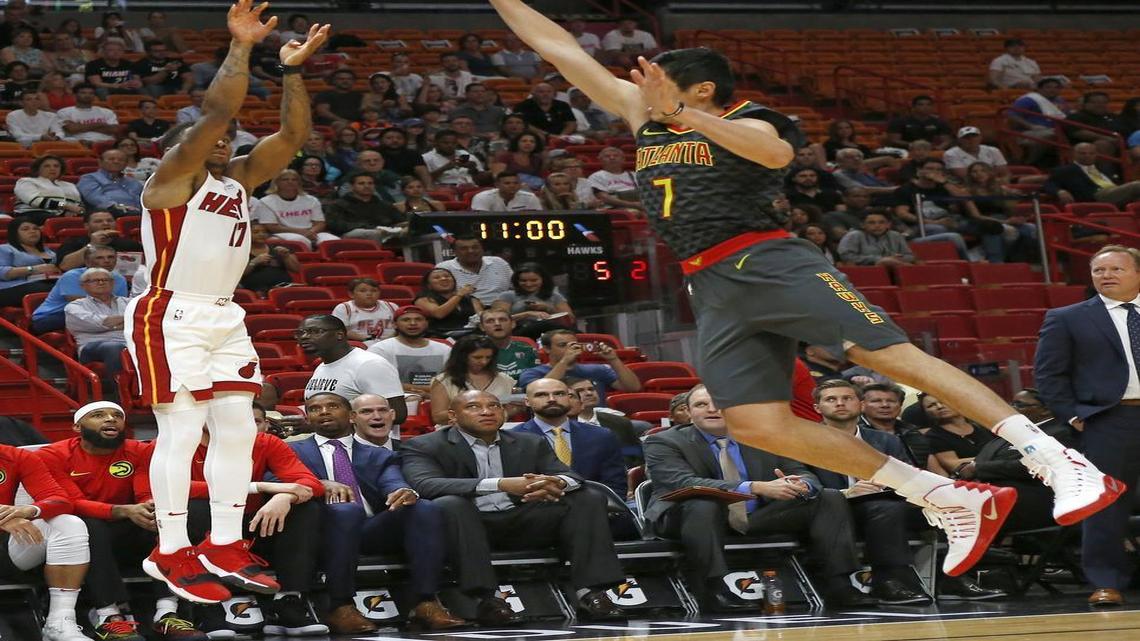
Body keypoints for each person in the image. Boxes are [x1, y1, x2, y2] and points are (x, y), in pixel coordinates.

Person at [488, 0, 1118, 580]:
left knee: (889, 357)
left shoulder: (753, 118)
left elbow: (771, 156)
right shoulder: (645, 116)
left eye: (658, 81)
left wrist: (680, 114)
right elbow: (559, 48)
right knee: (756, 423)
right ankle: (943, 494)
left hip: (768, 258)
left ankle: (1053, 457)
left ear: (700, 90)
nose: (641, 88)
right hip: (709, 282)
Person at [121, 2, 331, 605]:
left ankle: (224, 542)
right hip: (170, 311)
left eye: (228, 140)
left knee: (238, 426)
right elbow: (217, 112)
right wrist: (241, 47)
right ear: (180, 147)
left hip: (223, 312)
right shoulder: (169, 182)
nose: (224, 140)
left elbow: (293, 137)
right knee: (183, 428)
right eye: (212, 138)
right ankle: (170, 548)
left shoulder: (237, 181)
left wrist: (292, 70)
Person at [400, 389, 627, 621]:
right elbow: (425, 485)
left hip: (522, 519)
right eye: (473, 407)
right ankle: (488, 599)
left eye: (494, 406)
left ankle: (590, 593)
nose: (487, 412)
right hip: (465, 527)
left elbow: (571, 476)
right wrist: (501, 484)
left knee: (587, 497)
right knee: (451, 504)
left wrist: (554, 482)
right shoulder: (425, 445)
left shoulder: (530, 442)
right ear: (452, 416)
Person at [643, 384, 873, 609]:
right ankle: (712, 590)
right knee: (703, 504)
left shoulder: (763, 438)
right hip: (687, 517)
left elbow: (801, 471)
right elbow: (682, 483)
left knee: (828, 497)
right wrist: (755, 487)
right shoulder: (664, 441)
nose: (712, 409)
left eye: (719, 404)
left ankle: (839, 584)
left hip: (756, 516)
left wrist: (802, 484)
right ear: (690, 412)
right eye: (701, 405)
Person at [290, 393, 465, 633]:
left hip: (368, 528)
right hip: (317, 531)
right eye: (315, 408)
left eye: (332, 406)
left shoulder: (379, 454)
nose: (324, 412)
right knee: (345, 511)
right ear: (308, 417)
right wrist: (318, 484)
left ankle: (425, 602)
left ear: (351, 416)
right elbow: (277, 481)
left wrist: (403, 491)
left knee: (423, 507)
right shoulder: (292, 451)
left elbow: (392, 480)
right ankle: (340, 605)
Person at [38, 402, 206, 640]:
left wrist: (149, 507)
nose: (111, 419)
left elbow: (144, 492)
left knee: (166, 519)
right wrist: (122, 510)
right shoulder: (53, 455)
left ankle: (168, 613)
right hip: (81, 539)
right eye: (99, 415)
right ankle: (109, 615)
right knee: (86, 525)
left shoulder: (139, 450)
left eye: (117, 415)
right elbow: (69, 502)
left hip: (132, 529)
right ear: (77, 427)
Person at [1035, 245, 1140, 607]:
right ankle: (1106, 581)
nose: (1106, 275)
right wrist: (1072, 415)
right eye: (1099, 270)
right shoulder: (1067, 317)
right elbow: (1049, 375)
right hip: (1110, 418)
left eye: (1116, 269)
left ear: (1137, 273)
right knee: (1106, 503)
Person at [187, 403, 328, 637]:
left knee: (304, 508)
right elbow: (176, 487)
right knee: (195, 508)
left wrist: (285, 496)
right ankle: (206, 606)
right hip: (208, 528)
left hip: (254, 527)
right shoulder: (180, 443)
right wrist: (259, 487)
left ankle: (288, 601)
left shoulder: (265, 442)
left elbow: (310, 484)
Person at [809, 380, 933, 604]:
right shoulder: (802, 441)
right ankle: (888, 580)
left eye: (847, 398)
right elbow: (806, 484)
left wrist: (889, 486)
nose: (840, 403)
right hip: (833, 508)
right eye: (831, 399)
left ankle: (955, 578)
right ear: (817, 408)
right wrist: (847, 492)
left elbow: (908, 478)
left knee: (947, 506)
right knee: (885, 509)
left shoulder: (887, 440)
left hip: (886, 503)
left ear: (861, 404)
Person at [0, 443, 90, 641]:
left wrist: (27, 511)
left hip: (5, 547)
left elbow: (60, 499)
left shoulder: (15, 456)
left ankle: (59, 621)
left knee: (68, 524)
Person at [514, 377, 627, 497]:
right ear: (527, 401)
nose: (552, 399)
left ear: (569, 398)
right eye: (541, 395)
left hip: (595, 505)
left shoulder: (602, 436)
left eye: (559, 394)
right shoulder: (513, 438)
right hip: (534, 505)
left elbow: (615, 486)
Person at [297, 315, 407, 423]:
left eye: (315, 331)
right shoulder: (322, 367)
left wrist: (316, 426)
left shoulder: (370, 364)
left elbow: (397, 414)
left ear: (339, 335)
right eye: (301, 333)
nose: (304, 337)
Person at [518, 329, 642, 405]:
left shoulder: (597, 369)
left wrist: (613, 359)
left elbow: (633, 387)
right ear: (546, 349)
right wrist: (565, 361)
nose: (570, 348)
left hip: (597, 419)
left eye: (573, 344)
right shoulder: (532, 373)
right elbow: (544, 390)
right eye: (562, 345)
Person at [32, 245, 127, 334]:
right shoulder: (71, 276)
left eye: (111, 257)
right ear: (87, 262)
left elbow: (118, 305)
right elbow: (80, 305)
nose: (107, 261)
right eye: (99, 258)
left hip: (94, 316)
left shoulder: (119, 278)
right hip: (51, 317)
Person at [64, 267, 130, 392]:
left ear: (113, 283)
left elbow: (144, 321)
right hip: (92, 348)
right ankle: (122, 395)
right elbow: (94, 323)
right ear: (83, 286)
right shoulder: (74, 306)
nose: (101, 283)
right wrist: (128, 320)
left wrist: (108, 323)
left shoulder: (130, 303)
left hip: (131, 344)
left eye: (106, 280)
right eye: (95, 280)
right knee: (114, 347)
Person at [369, 305, 454, 400]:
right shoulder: (380, 349)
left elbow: (453, 382)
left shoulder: (444, 349)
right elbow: (379, 383)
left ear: (426, 323)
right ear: (394, 324)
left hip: (438, 398)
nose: (413, 323)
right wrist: (430, 390)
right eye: (406, 320)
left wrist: (430, 394)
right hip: (396, 399)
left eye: (418, 319)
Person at [428, 334, 515, 425]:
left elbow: (510, 410)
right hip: (455, 430)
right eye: (477, 357)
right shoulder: (444, 380)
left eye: (488, 357)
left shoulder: (504, 380)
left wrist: (513, 410)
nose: (484, 362)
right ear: (462, 357)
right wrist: (475, 413)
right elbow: (438, 417)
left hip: (498, 429)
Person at [253, 169, 337, 248]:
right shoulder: (266, 201)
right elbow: (271, 226)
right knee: (300, 240)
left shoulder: (311, 200)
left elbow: (320, 223)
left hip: (311, 232)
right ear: (276, 182)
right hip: (282, 233)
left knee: (332, 241)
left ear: (299, 183)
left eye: (294, 179)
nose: (290, 182)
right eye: (285, 179)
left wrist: (311, 232)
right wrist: (301, 232)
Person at [921, 394, 995, 481]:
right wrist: (997, 457)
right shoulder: (933, 436)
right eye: (931, 405)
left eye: (943, 401)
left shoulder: (982, 425)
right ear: (926, 412)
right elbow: (953, 465)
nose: (940, 406)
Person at [493, 261, 575, 338]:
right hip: (521, 331)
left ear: (543, 279)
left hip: (553, 333)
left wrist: (548, 308)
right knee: (541, 325)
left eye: (534, 280)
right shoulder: (507, 295)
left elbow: (570, 320)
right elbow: (497, 319)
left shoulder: (554, 296)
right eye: (523, 281)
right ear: (517, 281)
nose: (528, 284)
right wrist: (528, 314)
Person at [1044, 142, 1140, 207]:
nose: (1087, 156)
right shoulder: (1065, 170)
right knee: (1136, 185)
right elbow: (1049, 184)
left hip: (1116, 192)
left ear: (1096, 155)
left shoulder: (1104, 168)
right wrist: (1060, 191)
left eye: (1091, 153)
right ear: (1073, 154)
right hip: (1096, 196)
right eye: (1083, 153)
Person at [324, 172, 408, 243]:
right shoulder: (338, 205)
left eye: (370, 183)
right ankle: (378, 256)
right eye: (361, 183)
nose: (367, 186)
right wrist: (370, 227)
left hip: (385, 232)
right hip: (350, 234)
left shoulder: (384, 205)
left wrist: (406, 224)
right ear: (352, 186)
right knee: (373, 233)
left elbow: (399, 220)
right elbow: (335, 224)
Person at [435, 235, 513, 306]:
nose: (470, 251)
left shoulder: (498, 262)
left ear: (482, 249)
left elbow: (514, 287)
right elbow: (439, 298)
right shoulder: (444, 268)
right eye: (464, 249)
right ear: (454, 252)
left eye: (475, 247)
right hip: (466, 310)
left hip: (505, 307)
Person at [54, 210, 144, 272]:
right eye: (98, 221)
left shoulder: (130, 244)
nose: (106, 223)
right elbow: (65, 267)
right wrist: (93, 244)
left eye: (110, 220)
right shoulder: (73, 243)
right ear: (86, 226)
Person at [0, 217, 59, 307]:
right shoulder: (5, 249)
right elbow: (1, 272)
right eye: (25, 229)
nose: (32, 231)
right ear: (14, 233)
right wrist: (33, 269)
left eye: (36, 228)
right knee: (53, 288)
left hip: (47, 283)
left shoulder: (49, 251)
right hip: (12, 288)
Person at [477, 307, 538, 384]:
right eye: (490, 321)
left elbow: (536, 378)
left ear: (513, 324)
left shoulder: (527, 347)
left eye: (502, 320)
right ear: (482, 327)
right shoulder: (474, 351)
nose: (497, 324)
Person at [331, 277, 399, 345]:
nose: (369, 294)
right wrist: (367, 339)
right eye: (363, 291)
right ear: (351, 294)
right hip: (357, 345)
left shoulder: (391, 306)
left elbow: (400, 327)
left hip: (390, 343)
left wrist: (386, 341)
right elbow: (340, 331)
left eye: (374, 291)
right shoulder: (344, 308)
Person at [13, 154, 83, 220]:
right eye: (47, 166)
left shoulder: (69, 185)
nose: (52, 169)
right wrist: (66, 206)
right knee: (57, 220)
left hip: (60, 215)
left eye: (56, 166)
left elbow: (79, 205)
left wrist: (76, 211)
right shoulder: (26, 182)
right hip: (33, 214)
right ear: (38, 169)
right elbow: (36, 201)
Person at [76, 149, 144, 216]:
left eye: (121, 160)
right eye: (111, 159)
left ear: (126, 164)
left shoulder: (133, 182)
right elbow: (95, 198)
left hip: (138, 214)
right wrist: (120, 207)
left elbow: (142, 201)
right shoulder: (89, 178)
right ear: (100, 162)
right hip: (107, 214)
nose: (116, 161)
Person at [837, 210, 915, 267]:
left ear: (888, 224)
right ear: (862, 225)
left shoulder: (895, 235)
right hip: (865, 271)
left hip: (895, 267)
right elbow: (847, 257)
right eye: (871, 223)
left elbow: (910, 256)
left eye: (882, 222)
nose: (877, 226)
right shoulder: (854, 235)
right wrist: (879, 259)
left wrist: (896, 259)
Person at [241, 222, 300, 295]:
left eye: (264, 232)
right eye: (256, 232)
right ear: (246, 234)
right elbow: (238, 274)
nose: (261, 234)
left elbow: (296, 269)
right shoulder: (241, 251)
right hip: (256, 291)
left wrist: (286, 256)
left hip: (285, 288)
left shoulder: (277, 248)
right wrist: (254, 262)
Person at [422, 128, 486, 187]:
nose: (450, 145)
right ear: (435, 143)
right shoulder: (426, 157)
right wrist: (444, 168)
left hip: (470, 187)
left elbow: (483, 179)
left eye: (454, 143)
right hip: (443, 189)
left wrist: (473, 169)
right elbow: (423, 180)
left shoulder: (466, 154)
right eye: (445, 143)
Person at [885, 95, 952, 150]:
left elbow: (947, 141)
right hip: (905, 150)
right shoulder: (899, 121)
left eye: (928, 105)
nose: (925, 107)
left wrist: (939, 148)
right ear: (913, 107)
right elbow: (893, 140)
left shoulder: (939, 122)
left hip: (928, 150)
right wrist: (912, 145)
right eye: (921, 105)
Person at [943, 126, 1009, 181]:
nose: (971, 140)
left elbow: (1004, 173)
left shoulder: (993, 150)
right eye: (966, 137)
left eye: (974, 136)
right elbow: (966, 177)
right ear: (959, 140)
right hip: (966, 186)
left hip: (995, 184)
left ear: (980, 137)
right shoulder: (951, 154)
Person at [587, 146, 641, 211]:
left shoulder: (634, 175)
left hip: (638, 204)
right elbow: (604, 198)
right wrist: (633, 205)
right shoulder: (596, 176)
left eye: (616, 156)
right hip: (614, 208)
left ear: (623, 159)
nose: (612, 158)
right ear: (600, 160)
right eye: (607, 156)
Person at [471, 171, 544, 211]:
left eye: (515, 183)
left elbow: (537, 218)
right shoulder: (482, 197)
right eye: (507, 183)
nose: (512, 186)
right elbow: (480, 220)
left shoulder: (530, 197)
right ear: (497, 185)